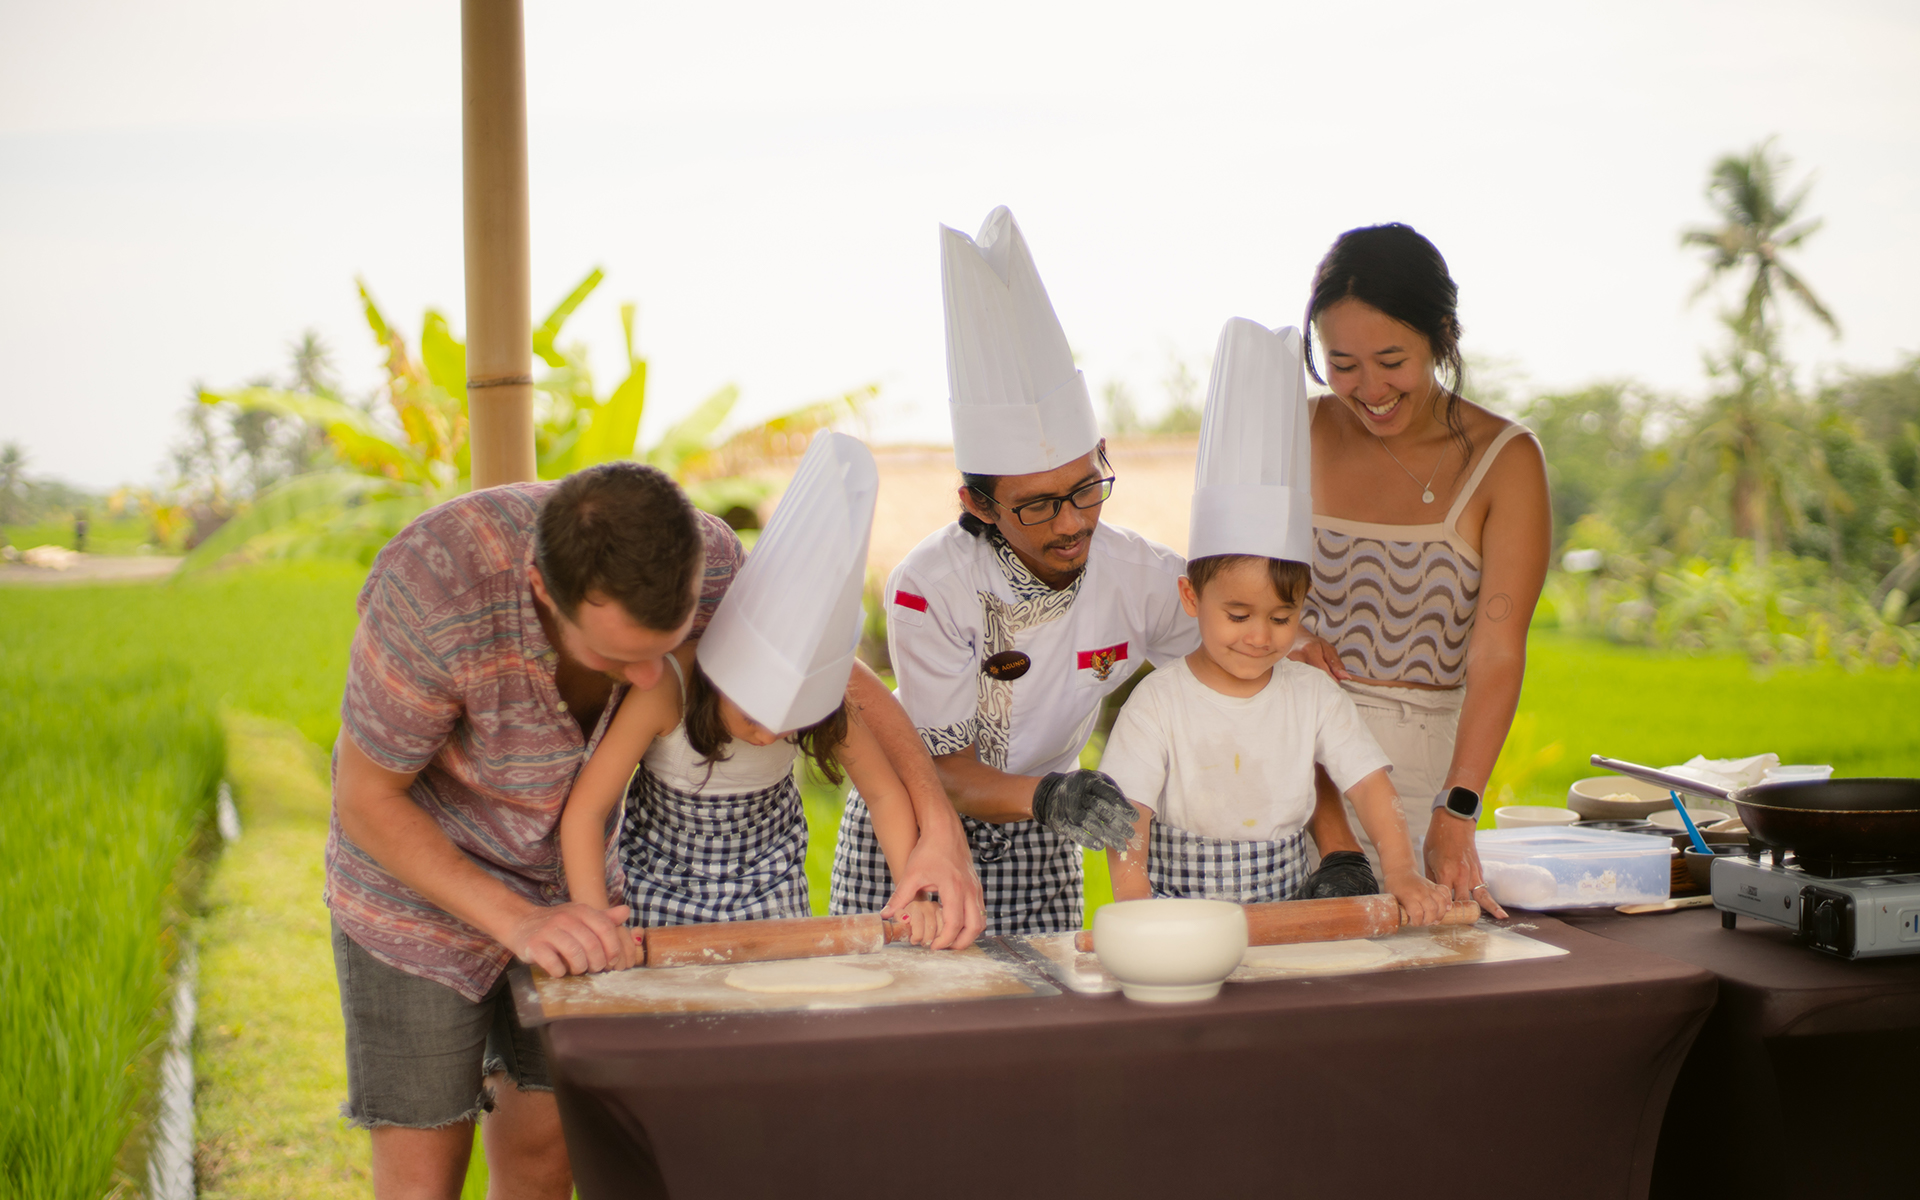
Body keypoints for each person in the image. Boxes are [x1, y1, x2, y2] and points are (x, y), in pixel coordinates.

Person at [329, 461, 982, 1200]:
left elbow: (843, 685)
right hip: (421, 895)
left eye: (665, 648)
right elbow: (366, 801)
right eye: (618, 659)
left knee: (547, 1153)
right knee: (423, 1176)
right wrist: (522, 919)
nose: (647, 681)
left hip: (584, 903)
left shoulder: (711, 566)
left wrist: (937, 831)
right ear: (544, 591)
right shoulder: (433, 592)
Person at [1098, 318, 1450, 925]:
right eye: (1238, 614)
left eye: (1283, 616)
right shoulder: (1159, 703)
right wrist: (1132, 906)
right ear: (1190, 596)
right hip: (1183, 921)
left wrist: (1400, 873)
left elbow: (1369, 786)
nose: (1261, 637)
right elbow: (1131, 811)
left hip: (1290, 918)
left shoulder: (1311, 696)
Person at [559, 434, 940, 942]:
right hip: (663, 899)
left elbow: (885, 793)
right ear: (724, 668)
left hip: (772, 895)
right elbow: (586, 810)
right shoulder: (668, 688)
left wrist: (911, 893)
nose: (767, 737)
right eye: (757, 716)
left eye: (791, 725)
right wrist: (595, 920)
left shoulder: (824, 703)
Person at [1290, 223, 1552, 919]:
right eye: (1341, 363)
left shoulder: (1507, 460)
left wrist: (1456, 808)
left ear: (1442, 335)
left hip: (1411, 774)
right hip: (1279, 759)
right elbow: (1229, 582)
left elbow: (1497, 652)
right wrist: (1285, 638)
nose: (1368, 388)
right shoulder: (1295, 431)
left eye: (1390, 360)